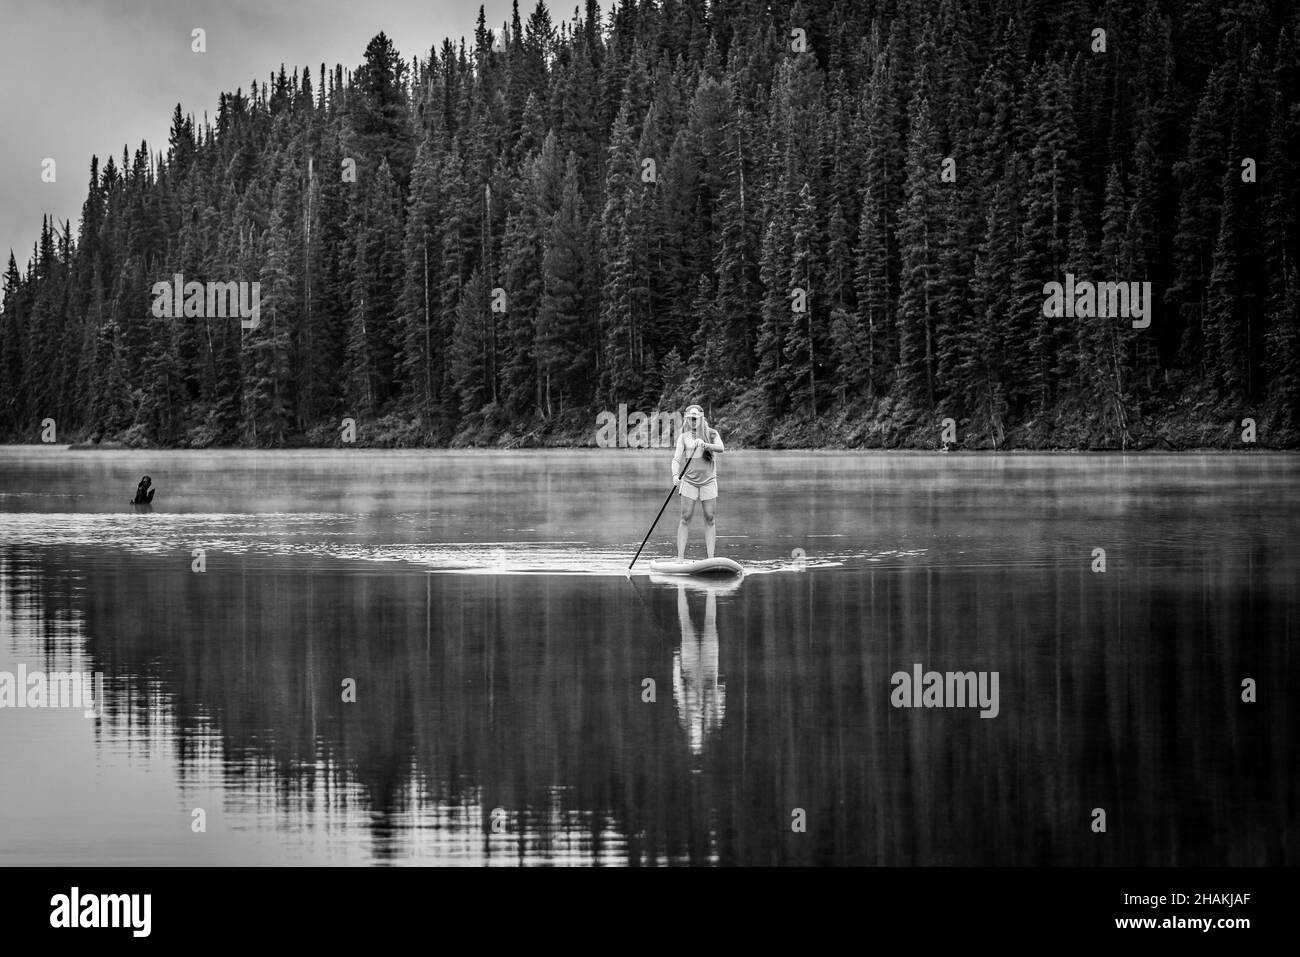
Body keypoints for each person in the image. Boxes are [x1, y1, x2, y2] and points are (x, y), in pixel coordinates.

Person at [671, 404, 725, 560]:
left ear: (701, 419)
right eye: (690, 419)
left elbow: (721, 448)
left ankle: (711, 558)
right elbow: (676, 459)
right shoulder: (684, 437)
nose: (692, 421)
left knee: (710, 518)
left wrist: (705, 444)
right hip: (689, 482)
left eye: (695, 418)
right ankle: (680, 558)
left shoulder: (712, 434)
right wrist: (675, 475)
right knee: (685, 517)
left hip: (708, 481)